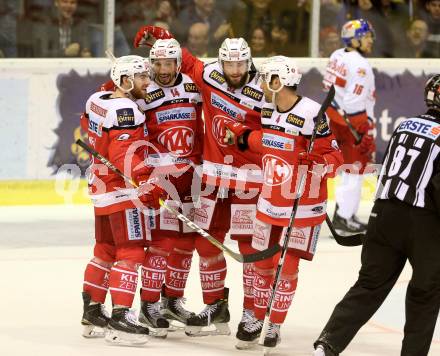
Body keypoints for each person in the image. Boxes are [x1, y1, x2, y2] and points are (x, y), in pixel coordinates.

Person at [134, 26, 266, 338]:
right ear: (221, 63)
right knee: (205, 242)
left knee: (248, 247)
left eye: (240, 64)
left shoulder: (265, 88)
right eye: (229, 64)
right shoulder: (208, 76)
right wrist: (162, 34)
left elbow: (283, 123)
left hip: (249, 181)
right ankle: (216, 307)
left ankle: (252, 313)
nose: (234, 71)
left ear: (249, 63)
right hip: (212, 179)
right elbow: (181, 57)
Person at [312, 74, 440, 356]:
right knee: (425, 293)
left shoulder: (404, 125)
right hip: (424, 225)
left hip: (383, 215)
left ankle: (327, 345)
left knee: (369, 285)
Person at [222, 56, 343, 352]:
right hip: (269, 201)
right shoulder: (266, 108)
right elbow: (264, 139)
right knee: (263, 265)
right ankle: (256, 318)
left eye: (265, 79)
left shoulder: (314, 114)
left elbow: (337, 159)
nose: (261, 84)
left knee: (286, 268)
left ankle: (275, 323)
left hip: (303, 208)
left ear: (277, 82)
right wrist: (239, 136)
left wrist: (318, 162)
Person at [80, 55, 162, 345]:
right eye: (141, 77)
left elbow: (87, 124)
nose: (147, 82)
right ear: (125, 81)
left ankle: (92, 312)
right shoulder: (127, 109)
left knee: (104, 249)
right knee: (131, 251)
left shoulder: (97, 99)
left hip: (100, 190)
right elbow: (123, 156)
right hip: (123, 192)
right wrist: (149, 184)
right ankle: (121, 318)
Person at [134, 38, 204, 337]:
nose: (163, 70)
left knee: (185, 244)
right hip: (161, 176)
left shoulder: (192, 85)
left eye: (168, 63)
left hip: (191, 174)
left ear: (178, 63)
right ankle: (148, 305)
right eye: (158, 64)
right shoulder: (143, 91)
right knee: (161, 244)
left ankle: (172, 300)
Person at [323, 19, 376, 235]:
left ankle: (345, 214)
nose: (371, 40)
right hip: (350, 122)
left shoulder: (337, 54)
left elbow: (328, 86)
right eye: (367, 37)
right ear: (354, 40)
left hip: (335, 117)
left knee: (349, 170)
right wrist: (364, 131)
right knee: (354, 171)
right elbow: (354, 103)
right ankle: (343, 218)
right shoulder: (361, 65)